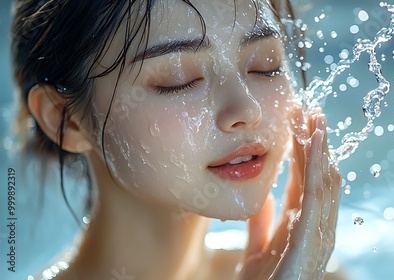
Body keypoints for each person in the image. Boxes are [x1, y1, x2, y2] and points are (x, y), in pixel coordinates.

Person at [11, 0, 342, 279]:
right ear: (66, 121)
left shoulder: (310, 269)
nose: (246, 109)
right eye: (179, 80)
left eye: (264, 66)